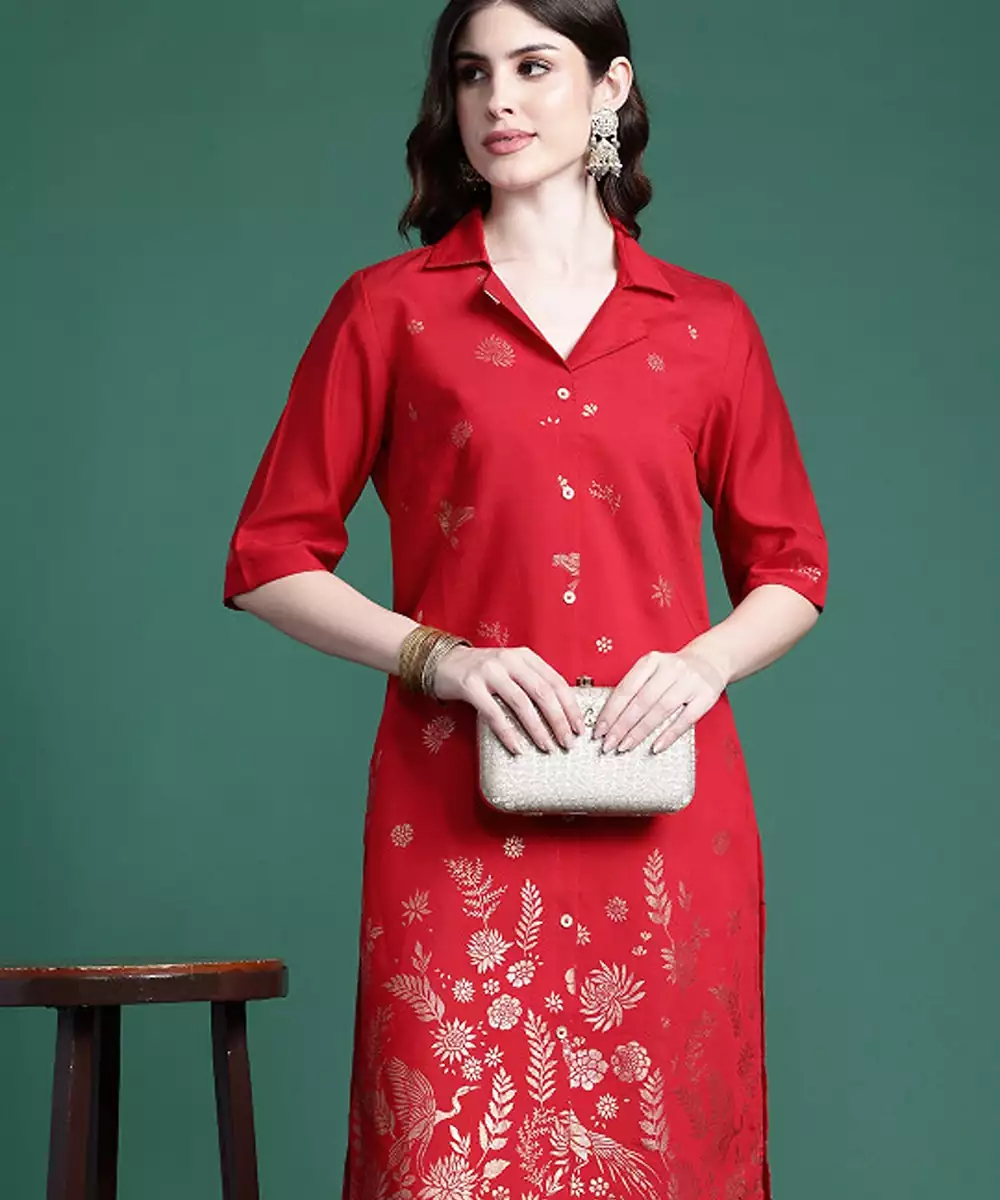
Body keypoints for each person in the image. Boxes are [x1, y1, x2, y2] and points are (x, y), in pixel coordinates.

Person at [222, 1, 828, 1196]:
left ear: (610, 88)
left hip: (664, 814)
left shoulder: (707, 326)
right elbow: (269, 556)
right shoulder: (390, 310)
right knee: (450, 1157)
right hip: (452, 810)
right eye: (471, 74)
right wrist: (442, 658)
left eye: (534, 67)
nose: (497, 99)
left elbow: (792, 568)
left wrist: (701, 663)